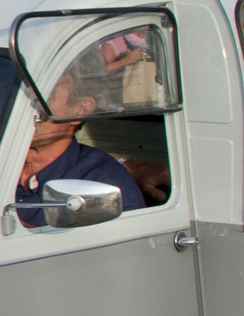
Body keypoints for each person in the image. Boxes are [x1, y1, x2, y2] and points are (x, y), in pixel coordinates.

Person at [13, 61, 146, 228]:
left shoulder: (102, 182)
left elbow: (121, 249)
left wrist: (25, 234)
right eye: (21, 96)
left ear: (80, 111)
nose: (25, 107)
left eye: (45, 97)